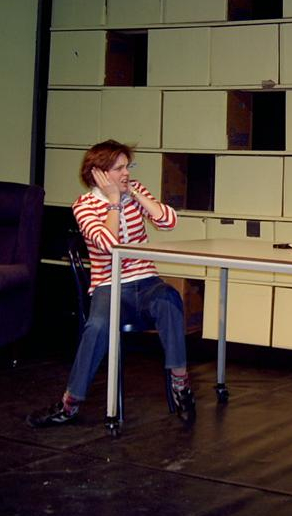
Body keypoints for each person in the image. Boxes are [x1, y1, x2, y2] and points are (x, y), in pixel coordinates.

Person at [27, 140, 196, 427]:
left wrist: (134, 194)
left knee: (169, 298)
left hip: (146, 281)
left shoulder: (136, 191)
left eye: (128, 166)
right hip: (109, 285)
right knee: (96, 327)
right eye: (119, 168)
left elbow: (169, 221)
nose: (126, 173)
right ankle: (69, 404)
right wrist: (115, 202)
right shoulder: (84, 206)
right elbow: (109, 244)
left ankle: (181, 384)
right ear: (100, 173)